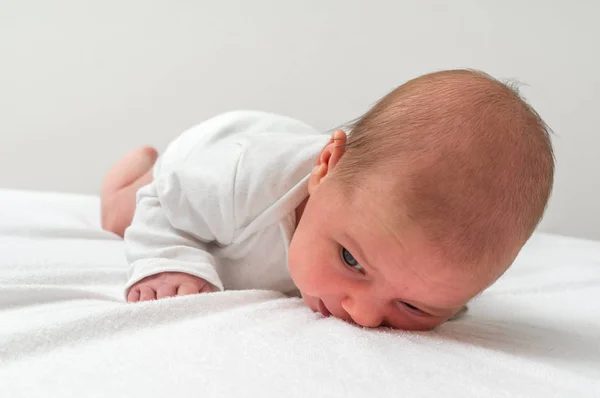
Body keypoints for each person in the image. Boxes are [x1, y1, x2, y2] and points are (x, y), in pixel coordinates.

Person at [101, 69, 554, 331]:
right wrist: (169, 263)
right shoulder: (238, 181)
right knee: (125, 214)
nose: (363, 315)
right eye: (350, 260)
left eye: (414, 306)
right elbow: (163, 202)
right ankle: (133, 169)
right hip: (208, 155)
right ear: (326, 170)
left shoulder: (412, 260)